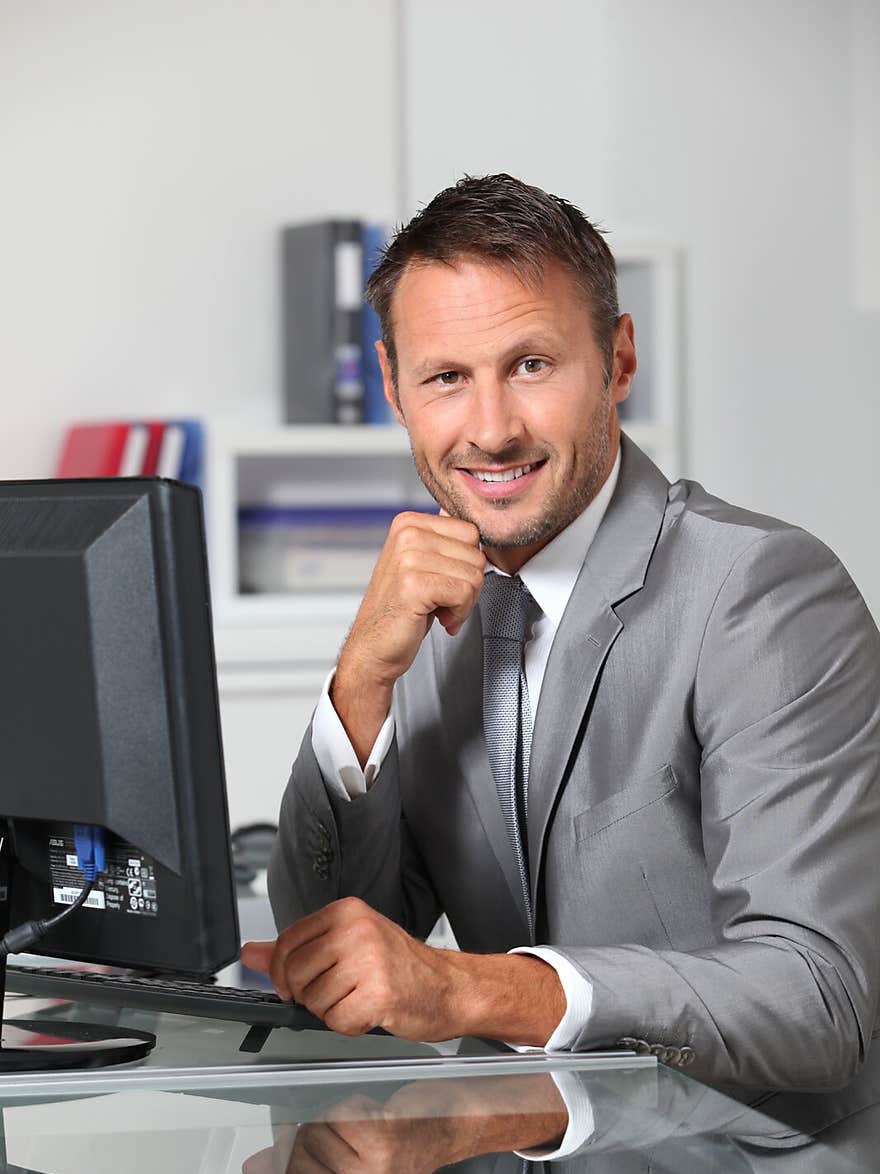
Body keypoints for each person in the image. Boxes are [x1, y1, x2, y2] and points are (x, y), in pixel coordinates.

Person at [243, 173, 880, 1125]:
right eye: (446, 377)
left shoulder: (761, 591)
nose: (491, 430)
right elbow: (335, 951)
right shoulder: (423, 614)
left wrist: (473, 990)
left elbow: (819, 1000)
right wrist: (361, 680)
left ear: (618, 359)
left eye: (532, 364)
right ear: (393, 387)